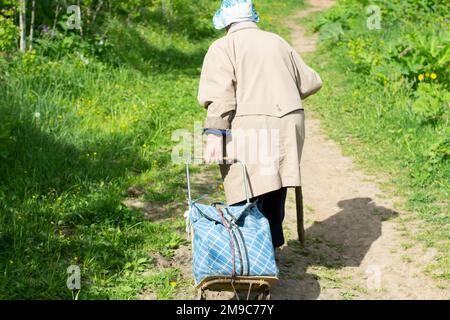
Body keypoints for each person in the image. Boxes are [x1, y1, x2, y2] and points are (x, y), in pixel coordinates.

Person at [198, 0, 322, 248]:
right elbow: (311, 82)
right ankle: (272, 241)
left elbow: (221, 96)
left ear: (226, 22)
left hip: (251, 126)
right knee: (275, 179)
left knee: (243, 185)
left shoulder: (223, 46)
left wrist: (214, 133)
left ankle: (251, 249)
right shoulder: (277, 41)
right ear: (251, 18)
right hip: (289, 121)